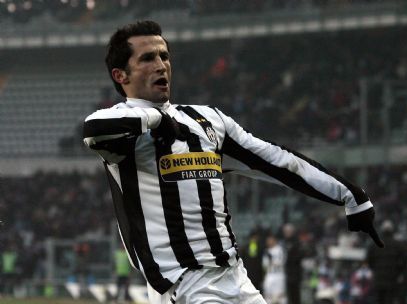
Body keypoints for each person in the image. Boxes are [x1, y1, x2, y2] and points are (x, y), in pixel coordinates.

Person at [83, 20, 384, 304]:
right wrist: (156, 119)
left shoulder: (207, 121)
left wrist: (350, 195)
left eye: (164, 55)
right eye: (147, 58)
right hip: (184, 285)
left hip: (236, 278)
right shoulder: (123, 135)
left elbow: (277, 161)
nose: (161, 65)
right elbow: (94, 129)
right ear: (120, 75)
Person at [366, 220, 407, 304]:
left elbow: (369, 260)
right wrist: (399, 270)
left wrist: (375, 269)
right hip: (392, 280)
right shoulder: (398, 245)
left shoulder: (374, 245)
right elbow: (405, 259)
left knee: (378, 300)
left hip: (378, 279)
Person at [282, 223, 302, 304]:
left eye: (288, 231)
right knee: (289, 295)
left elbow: (298, 257)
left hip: (295, 272)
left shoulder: (296, 242)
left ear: (292, 231)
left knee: (295, 294)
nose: (286, 233)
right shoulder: (284, 242)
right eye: (285, 231)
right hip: (287, 272)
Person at [263, 234, 286, 304]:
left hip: (279, 275)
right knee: (268, 295)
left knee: (280, 296)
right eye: (268, 241)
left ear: (274, 240)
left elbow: (282, 261)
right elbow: (264, 264)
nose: (269, 242)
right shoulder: (266, 251)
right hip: (269, 274)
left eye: (270, 240)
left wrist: (272, 261)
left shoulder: (280, 249)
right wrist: (270, 262)